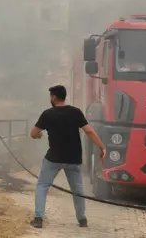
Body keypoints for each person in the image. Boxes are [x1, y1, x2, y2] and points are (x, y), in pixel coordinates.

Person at [30, 85, 106, 230]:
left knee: (42, 186)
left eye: (50, 96)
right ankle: (82, 220)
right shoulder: (76, 112)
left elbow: (33, 133)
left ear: (53, 97)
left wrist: (39, 135)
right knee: (78, 191)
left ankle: (38, 219)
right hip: (73, 159)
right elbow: (89, 131)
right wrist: (101, 147)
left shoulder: (47, 114)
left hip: (53, 159)